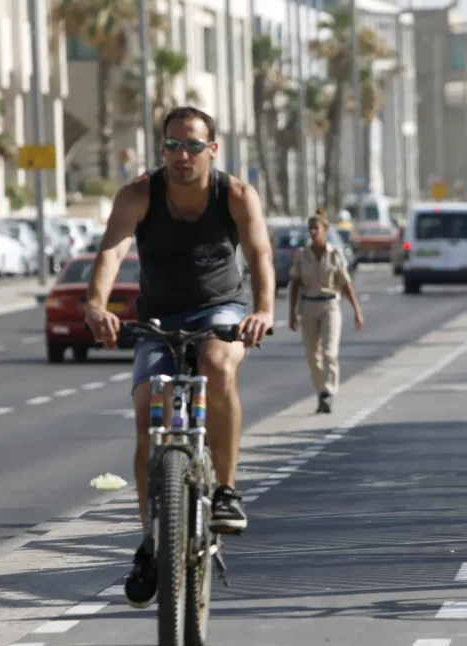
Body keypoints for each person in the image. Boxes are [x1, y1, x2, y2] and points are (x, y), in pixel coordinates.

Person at [84, 106, 275, 607]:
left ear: (213, 149)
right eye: (172, 145)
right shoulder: (139, 195)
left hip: (222, 310)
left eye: (193, 145)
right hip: (160, 318)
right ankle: (151, 540)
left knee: (216, 364)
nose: (182, 155)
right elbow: (111, 252)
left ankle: (228, 490)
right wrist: (94, 305)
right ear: (162, 149)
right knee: (149, 406)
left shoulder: (234, 194)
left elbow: (259, 255)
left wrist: (263, 310)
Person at [288, 207, 365, 413]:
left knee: (330, 352)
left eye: (317, 228)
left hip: (330, 305)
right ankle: (321, 390)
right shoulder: (303, 255)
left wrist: (357, 310)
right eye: (310, 229)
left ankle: (328, 392)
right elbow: (295, 284)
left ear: (325, 230)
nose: (313, 232)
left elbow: (346, 284)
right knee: (313, 356)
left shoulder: (334, 254)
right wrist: (292, 314)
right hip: (308, 306)